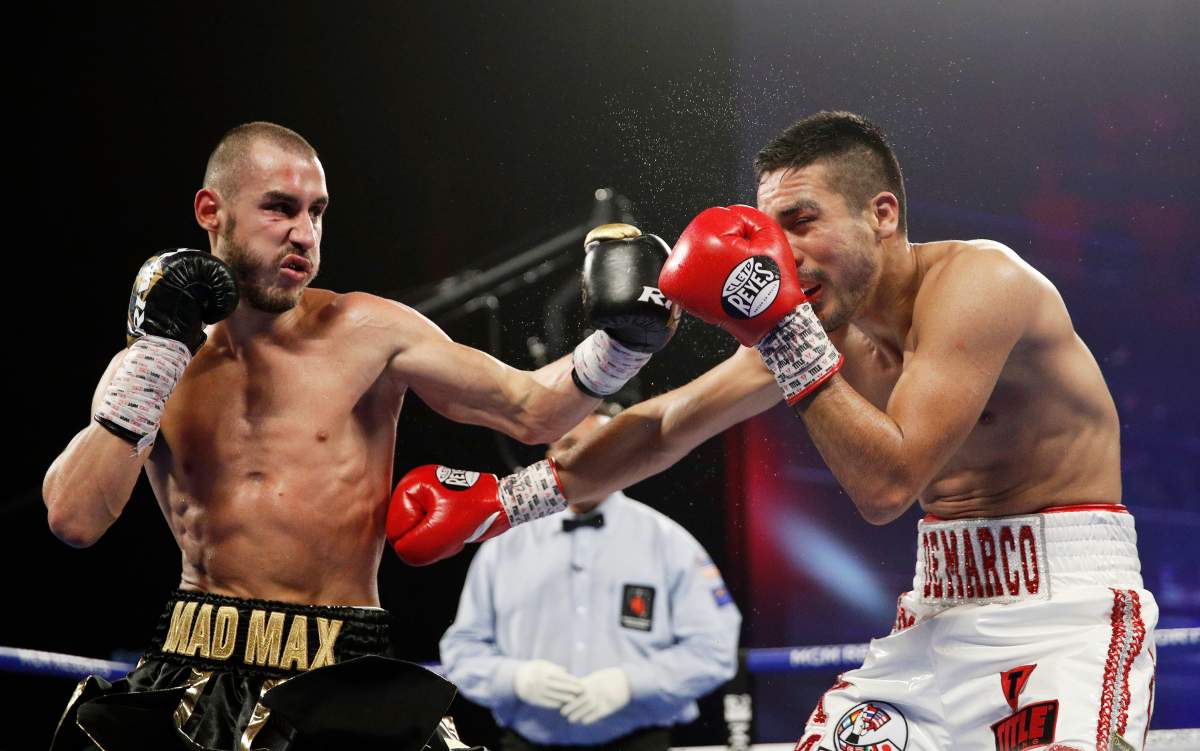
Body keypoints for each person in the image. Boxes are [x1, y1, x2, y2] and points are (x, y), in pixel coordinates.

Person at [392, 112, 1157, 751]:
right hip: (939, 619)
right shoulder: (820, 330)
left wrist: (784, 332)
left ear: (881, 214)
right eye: (769, 229)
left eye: (803, 221)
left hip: (1065, 618)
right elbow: (663, 425)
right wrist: (507, 499)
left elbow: (890, 484)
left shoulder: (982, 283)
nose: (782, 252)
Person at [42, 121, 677, 751]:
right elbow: (75, 519)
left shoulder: (369, 330)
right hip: (192, 660)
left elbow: (531, 409)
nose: (303, 233)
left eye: (317, 212)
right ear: (212, 211)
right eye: (279, 209)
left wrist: (624, 345)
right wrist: (153, 359)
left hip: (340, 664)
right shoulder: (157, 361)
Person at [438, 408, 742, 751]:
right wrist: (514, 680)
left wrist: (632, 684)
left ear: (621, 457)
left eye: (598, 446)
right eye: (570, 447)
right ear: (549, 458)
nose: (584, 459)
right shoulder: (505, 546)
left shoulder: (669, 543)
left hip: (638, 742)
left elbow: (714, 649)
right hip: (526, 742)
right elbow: (461, 650)